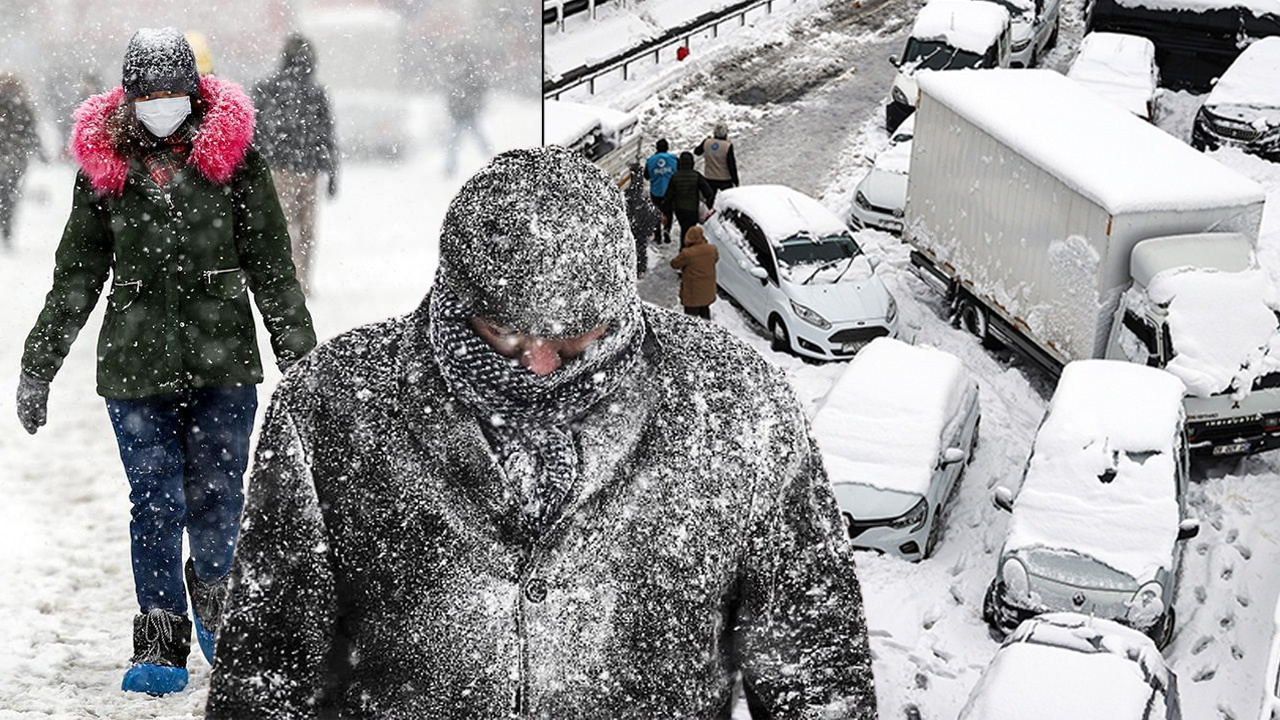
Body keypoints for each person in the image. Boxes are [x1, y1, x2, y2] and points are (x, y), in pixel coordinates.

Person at [206, 146, 877, 718]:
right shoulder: (331, 405)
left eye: (578, 338)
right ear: (455, 296)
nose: (542, 365)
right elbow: (268, 668)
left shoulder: (734, 398)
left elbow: (814, 661)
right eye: (505, 334)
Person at [15, 27, 315, 697]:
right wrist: (40, 364)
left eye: (174, 92)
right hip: (134, 367)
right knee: (154, 501)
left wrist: (304, 363)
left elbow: (273, 269)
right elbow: (75, 275)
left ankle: (216, 600)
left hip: (224, 365)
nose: (162, 104)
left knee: (217, 498)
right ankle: (159, 633)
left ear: (195, 91)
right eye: (149, 94)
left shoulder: (237, 162)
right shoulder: (105, 170)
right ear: (130, 96)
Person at [252, 32, 339, 296]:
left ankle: (283, 280)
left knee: (280, 228)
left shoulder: (266, 88)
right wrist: (333, 172)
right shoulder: (316, 93)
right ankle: (302, 280)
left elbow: (255, 133)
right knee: (306, 231)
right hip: (308, 171)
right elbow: (327, 135)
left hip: (277, 170)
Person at [0, 72, 42, 248]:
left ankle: (5, 219)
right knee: (10, 194)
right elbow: (31, 132)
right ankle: (7, 224)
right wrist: (41, 152)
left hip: (6, 156)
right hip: (16, 158)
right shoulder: (22, 105)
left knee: (5, 193)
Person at [444, 48, 492, 177]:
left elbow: (481, 87)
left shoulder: (465, 75)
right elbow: (451, 95)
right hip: (461, 114)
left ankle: (450, 168)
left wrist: (474, 102)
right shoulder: (459, 75)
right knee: (457, 142)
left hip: (466, 113)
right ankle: (450, 168)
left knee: (460, 142)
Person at [661, 150, 714, 251]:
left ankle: (683, 250)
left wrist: (665, 211)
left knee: (684, 229)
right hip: (693, 209)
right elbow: (709, 192)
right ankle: (690, 251)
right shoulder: (696, 176)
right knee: (691, 229)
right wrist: (707, 204)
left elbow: (668, 196)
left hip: (679, 210)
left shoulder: (675, 177)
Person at [670, 224, 719, 319]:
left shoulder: (687, 254)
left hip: (692, 293)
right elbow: (715, 259)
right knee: (705, 314)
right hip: (706, 291)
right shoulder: (712, 250)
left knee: (691, 319)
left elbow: (674, 264)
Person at [624, 161, 657, 276]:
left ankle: (637, 267)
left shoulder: (628, 200)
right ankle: (640, 268)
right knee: (641, 249)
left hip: (634, 228)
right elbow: (653, 214)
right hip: (641, 229)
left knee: (634, 248)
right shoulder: (643, 202)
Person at [693, 122, 739, 202]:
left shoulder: (706, 142)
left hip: (709, 177)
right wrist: (735, 180)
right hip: (725, 179)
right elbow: (731, 165)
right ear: (725, 134)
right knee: (729, 200)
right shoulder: (727, 146)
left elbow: (697, 152)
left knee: (710, 200)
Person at [644, 138, 677, 244]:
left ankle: (657, 236)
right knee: (668, 212)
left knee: (656, 212)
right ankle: (667, 230)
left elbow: (646, 176)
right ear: (667, 148)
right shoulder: (673, 159)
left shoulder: (650, 161)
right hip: (669, 191)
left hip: (656, 191)